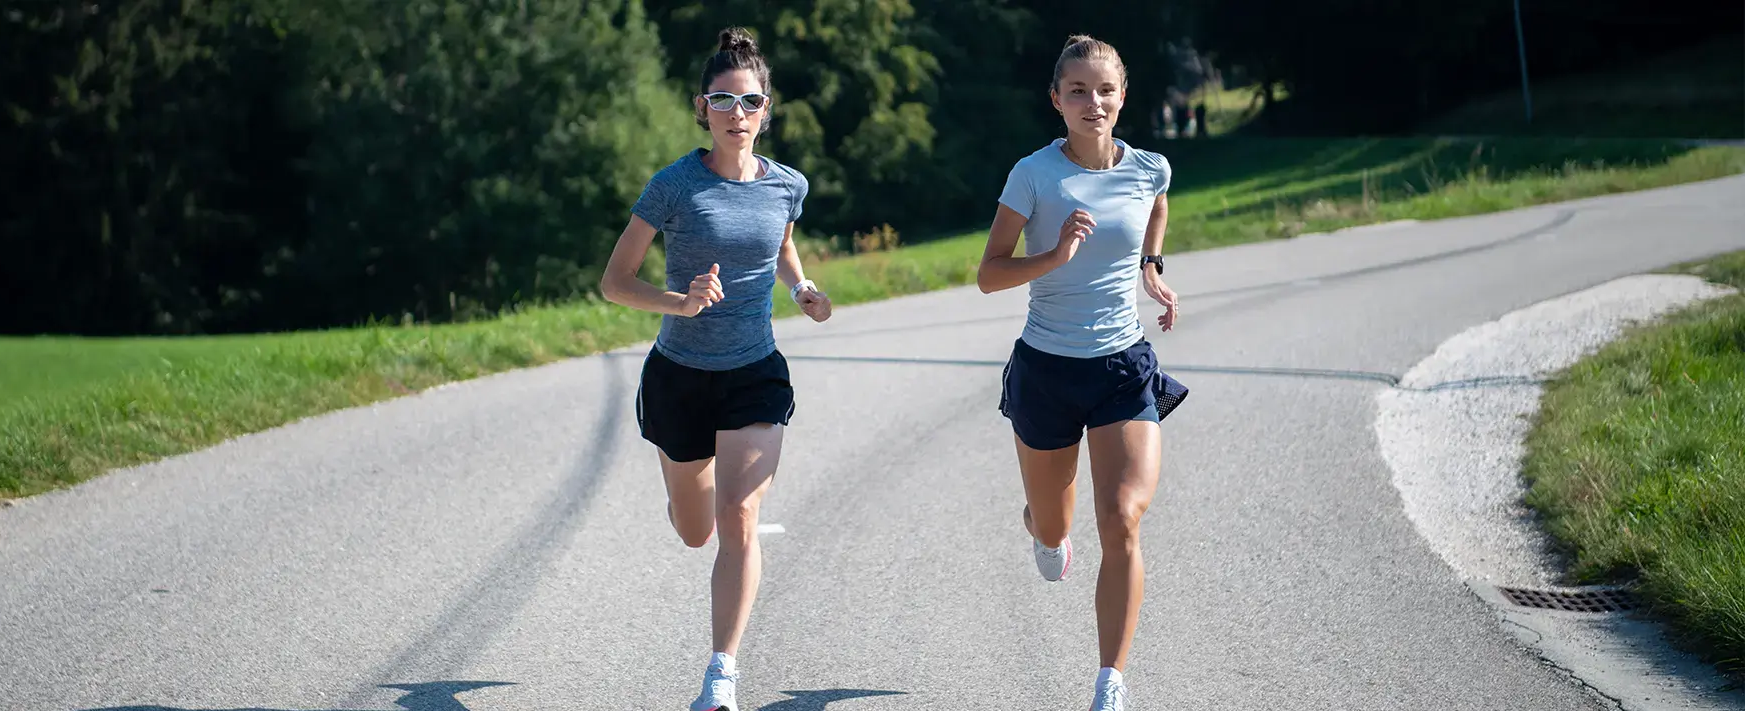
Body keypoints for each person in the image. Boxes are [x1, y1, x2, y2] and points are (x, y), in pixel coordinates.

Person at [600, 26, 831, 711]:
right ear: (701, 108)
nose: (737, 113)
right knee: (694, 526)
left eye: (749, 101)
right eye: (722, 101)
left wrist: (801, 289)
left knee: (737, 515)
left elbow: (781, 247)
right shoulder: (673, 185)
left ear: (766, 109)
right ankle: (684, 502)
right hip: (679, 376)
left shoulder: (786, 185)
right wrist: (680, 301)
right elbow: (614, 281)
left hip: (754, 371)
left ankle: (720, 675)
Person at [975, 34, 1189, 711]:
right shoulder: (1033, 175)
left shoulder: (1148, 166)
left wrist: (1150, 267)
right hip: (1046, 370)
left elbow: (1155, 203)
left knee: (1122, 517)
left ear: (1122, 96)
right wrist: (1056, 254)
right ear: (1056, 100)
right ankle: (1042, 525)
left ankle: (1108, 684)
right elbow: (988, 275)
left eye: (1103, 90)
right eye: (1077, 90)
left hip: (1123, 366)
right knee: (1054, 526)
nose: (1091, 102)